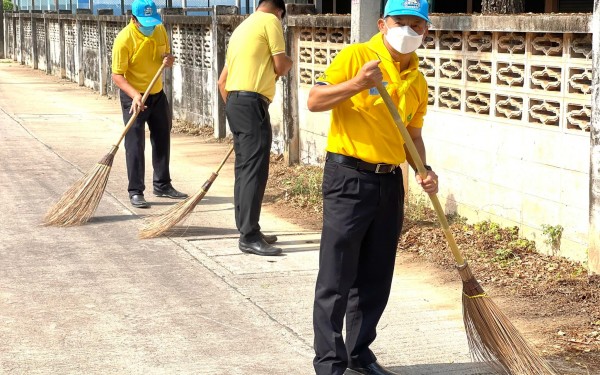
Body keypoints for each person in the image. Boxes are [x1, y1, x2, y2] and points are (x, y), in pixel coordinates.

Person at [307, 1, 439, 374]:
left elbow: (412, 135)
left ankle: (358, 352)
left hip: (389, 181)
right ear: (382, 24)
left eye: (418, 25)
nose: (409, 31)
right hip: (348, 177)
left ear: (427, 31)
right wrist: (359, 84)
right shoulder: (356, 56)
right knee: (337, 276)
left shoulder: (417, 78)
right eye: (402, 22)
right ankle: (329, 363)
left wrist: (423, 169)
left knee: (377, 274)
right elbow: (315, 100)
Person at [217, 0, 293, 256]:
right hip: (251, 104)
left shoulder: (242, 28)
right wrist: (289, 63)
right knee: (254, 171)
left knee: (244, 169)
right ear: (279, 11)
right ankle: (249, 236)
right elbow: (280, 65)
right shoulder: (270, 21)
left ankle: (248, 228)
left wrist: (239, 109)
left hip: (236, 101)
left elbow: (222, 82)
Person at [111, 0, 188, 209]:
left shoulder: (160, 29)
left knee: (162, 137)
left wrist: (168, 59)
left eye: (152, 22)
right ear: (133, 20)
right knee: (135, 143)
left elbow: (165, 55)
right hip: (134, 96)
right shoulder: (124, 39)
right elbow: (117, 75)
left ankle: (162, 184)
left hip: (157, 93)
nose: (150, 26)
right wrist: (135, 95)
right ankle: (135, 191)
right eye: (145, 22)